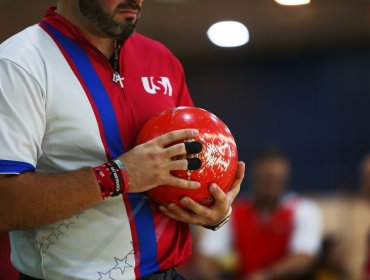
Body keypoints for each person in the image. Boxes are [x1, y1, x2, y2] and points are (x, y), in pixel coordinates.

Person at [0, 1, 245, 279]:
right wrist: (118, 176)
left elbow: (190, 171)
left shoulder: (160, 58)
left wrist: (213, 210)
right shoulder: (18, 63)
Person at [198, 150, 322, 280]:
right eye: (267, 179)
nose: (271, 186)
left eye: (277, 179)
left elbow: (304, 258)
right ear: (254, 177)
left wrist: (265, 275)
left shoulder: (304, 210)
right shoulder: (234, 211)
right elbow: (206, 255)